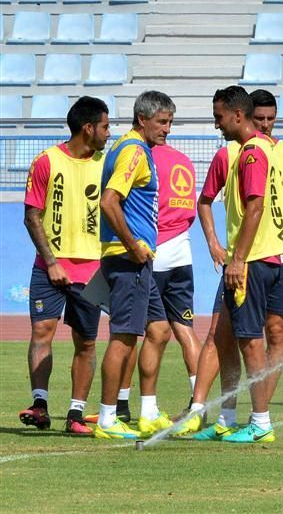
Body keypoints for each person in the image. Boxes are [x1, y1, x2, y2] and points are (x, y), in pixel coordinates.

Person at [175, 88, 283, 441]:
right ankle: (223, 417)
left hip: (262, 260)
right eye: (260, 117)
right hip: (262, 257)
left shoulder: (257, 153)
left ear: (236, 115)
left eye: (218, 118)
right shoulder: (241, 152)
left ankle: (259, 421)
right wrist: (217, 244)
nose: (216, 125)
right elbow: (207, 202)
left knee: (253, 341)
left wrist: (240, 257)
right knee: (226, 335)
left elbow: (257, 207)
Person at [18, 96, 110, 435]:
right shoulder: (46, 161)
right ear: (88, 128)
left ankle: (75, 414)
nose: (108, 133)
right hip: (49, 267)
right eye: (104, 126)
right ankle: (40, 404)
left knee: (86, 342)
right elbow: (32, 216)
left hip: (92, 270)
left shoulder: (107, 164)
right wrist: (53, 261)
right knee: (42, 332)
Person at [96, 143, 202, 424]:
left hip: (151, 249)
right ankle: (197, 405)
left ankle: (120, 405)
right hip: (183, 252)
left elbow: (142, 208)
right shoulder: (184, 160)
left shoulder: (143, 156)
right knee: (181, 330)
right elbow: (189, 208)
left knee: (130, 333)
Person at [94, 91, 176, 439]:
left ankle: (148, 412)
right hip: (129, 259)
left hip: (138, 260)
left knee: (159, 330)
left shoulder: (131, 148)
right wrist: (132, 246)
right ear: (142, 119)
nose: (167, 130)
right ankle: (107, 419)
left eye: (170, 122)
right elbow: (109, 201)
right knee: (124, 337)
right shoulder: (133, 152)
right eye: (162, 122)